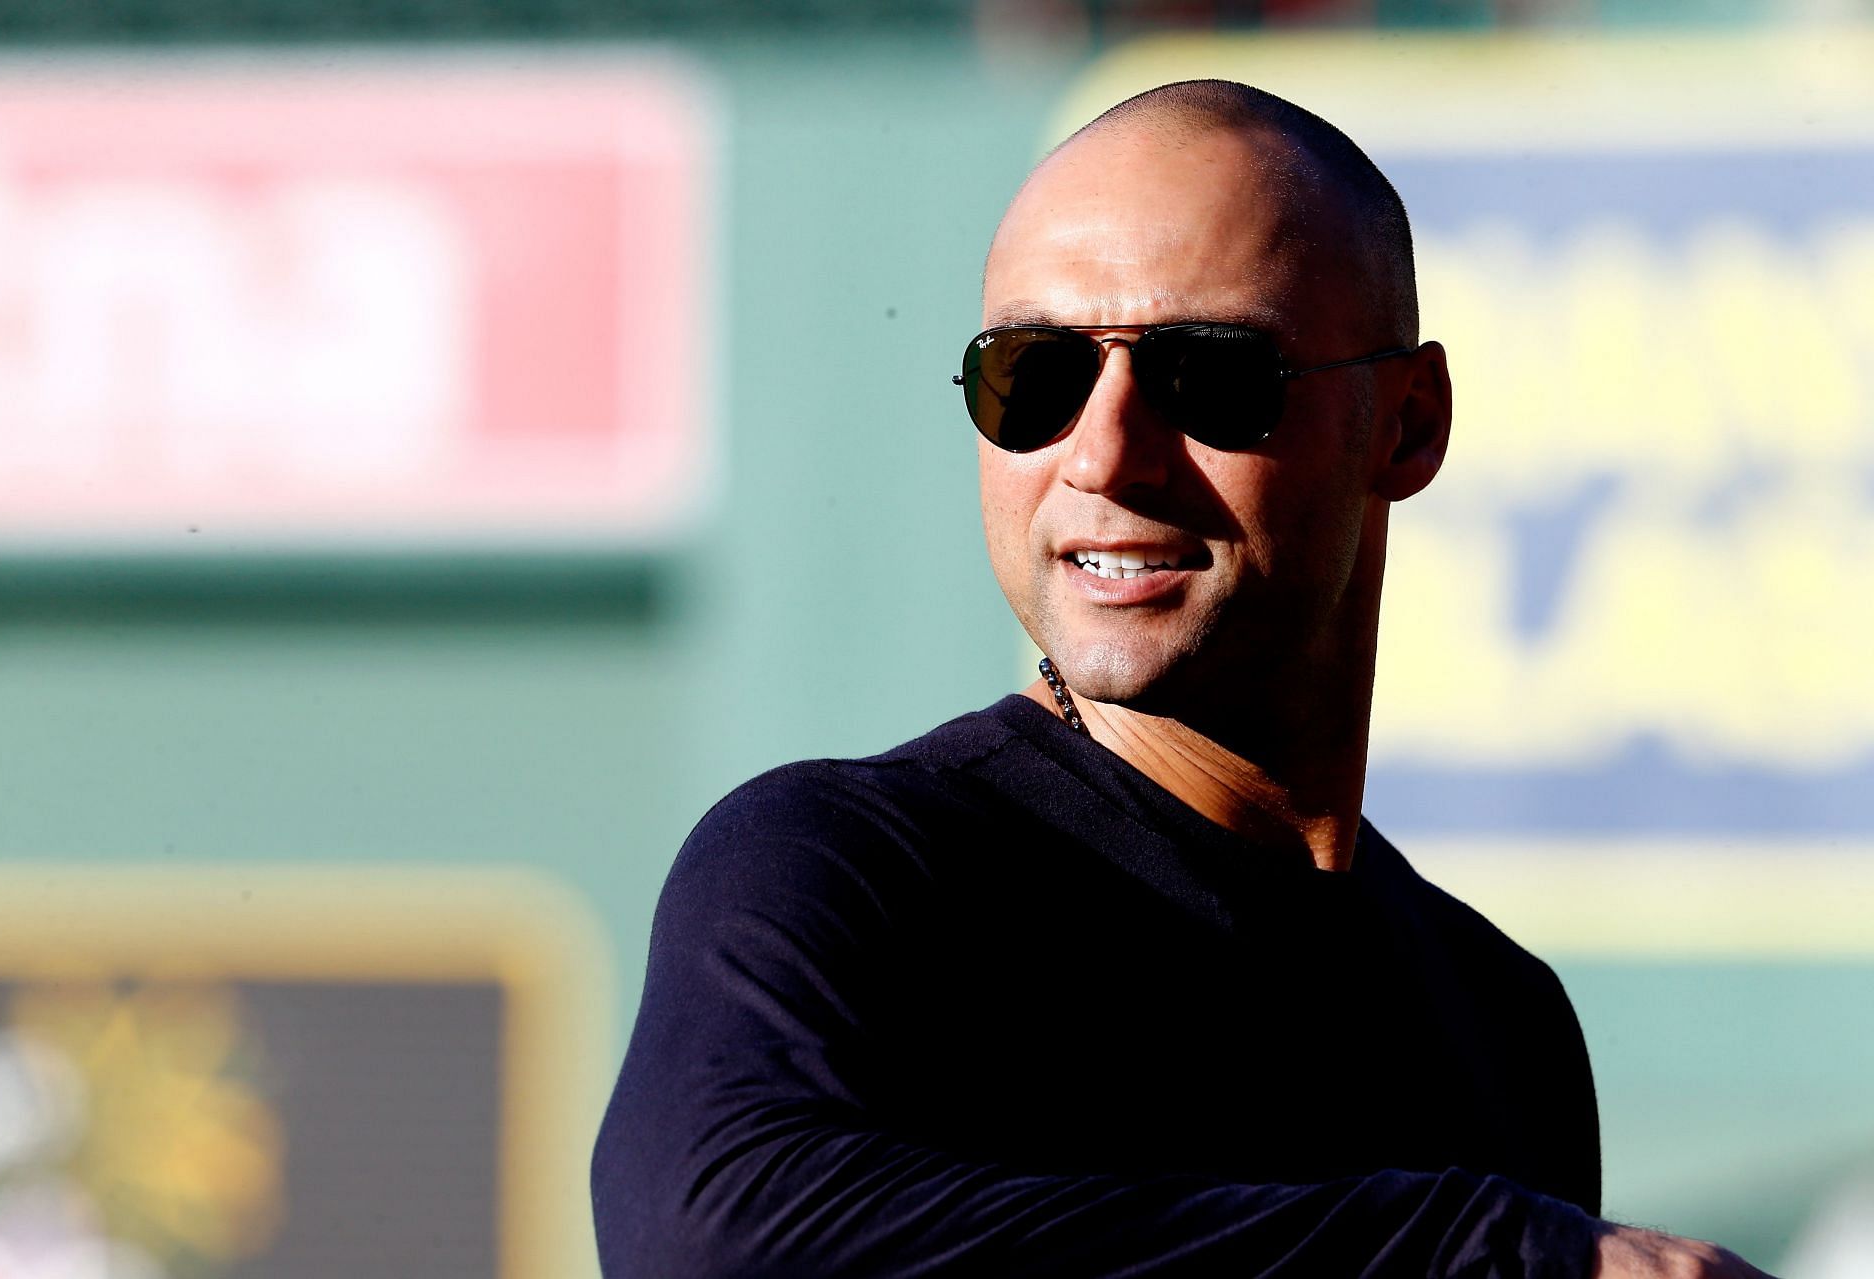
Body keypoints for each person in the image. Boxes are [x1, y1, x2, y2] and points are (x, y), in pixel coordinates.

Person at [591, 79, 1775, 1278]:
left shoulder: (1498, 1021)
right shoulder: (856, 866)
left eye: (1211, 374)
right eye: (1034, 376)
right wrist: (1483, 1251)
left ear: (1406, 425)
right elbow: (714, 1243)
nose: (1103, 453)